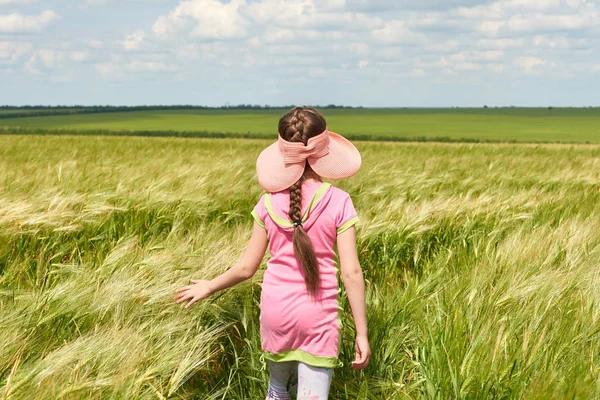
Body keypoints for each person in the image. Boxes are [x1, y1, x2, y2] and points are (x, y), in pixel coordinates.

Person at [174, 106, 370, 399]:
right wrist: (362, 334)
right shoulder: (339, 201)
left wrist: (209, 286)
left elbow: (246, 268)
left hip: (276, 313)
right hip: (317, 317)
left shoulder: (267, 203)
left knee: (277, 391)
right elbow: (352, 273)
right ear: (322, 155)